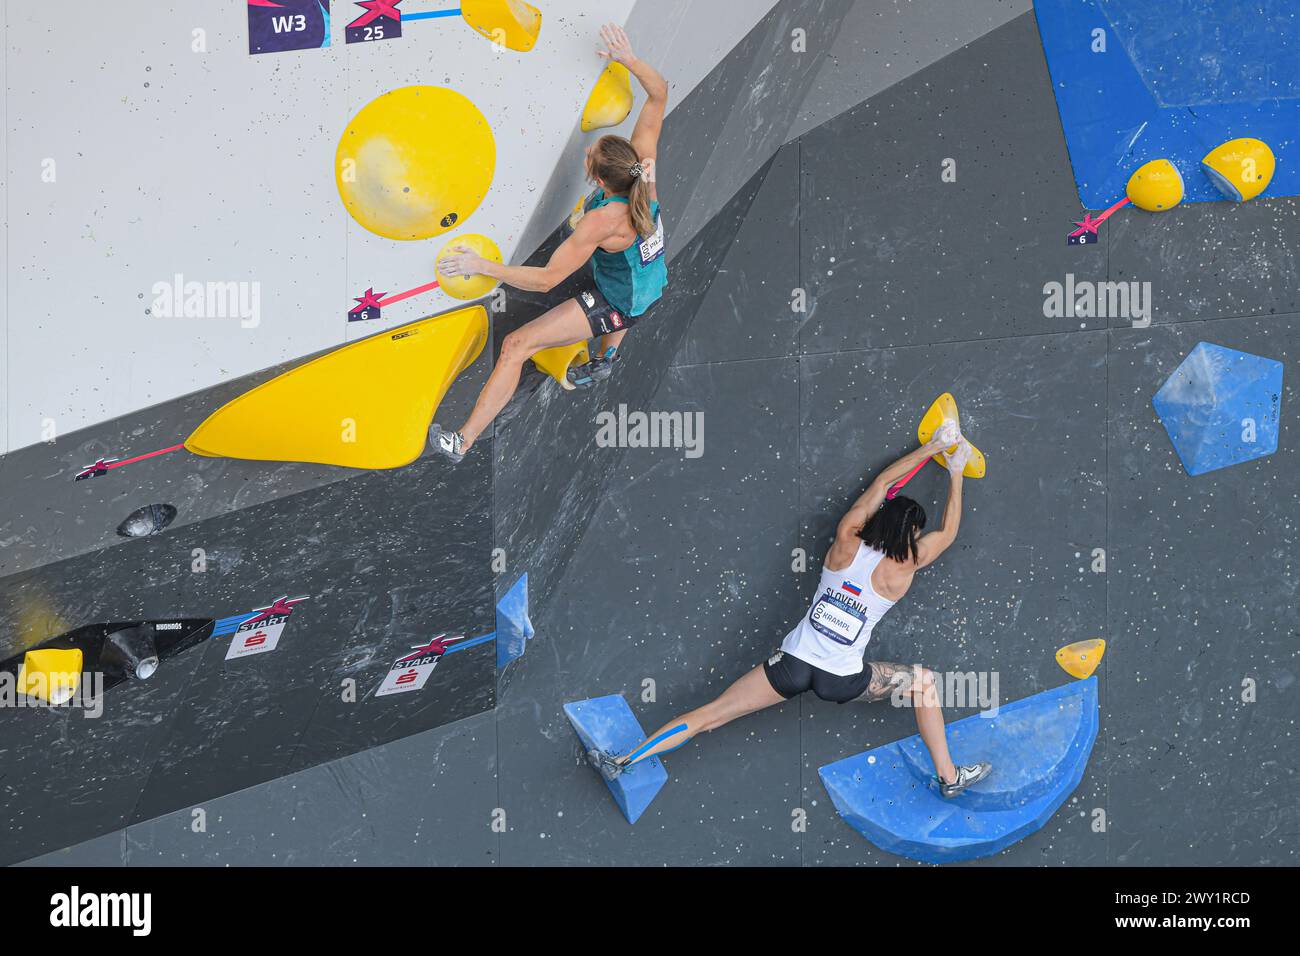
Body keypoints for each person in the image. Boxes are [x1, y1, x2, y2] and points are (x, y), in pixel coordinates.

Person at [587, 422, 993, 798]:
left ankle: (622, 761)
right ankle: (949, 777)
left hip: (791, 667)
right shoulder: (905, 566)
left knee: (709, 716)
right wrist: (955, 469)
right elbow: (949, 532)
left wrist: (933, 446)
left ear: (880, 518)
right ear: (912, 535)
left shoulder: (846, 538)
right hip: (842, 680)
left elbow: (884, 481)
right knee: (924, 684)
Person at [429, 23, 668, 463]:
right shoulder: (643, 170)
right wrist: (629, 60)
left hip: (620, 301)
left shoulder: (600, 222)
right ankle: (606, 358)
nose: (585, 152)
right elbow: (658, 95)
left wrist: (482, 266)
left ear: (598, 180)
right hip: (652, 281)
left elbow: (544, 281)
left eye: (588, 157)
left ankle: (460, 442)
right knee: (630, 291)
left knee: (517, 346)